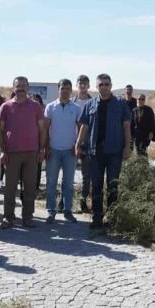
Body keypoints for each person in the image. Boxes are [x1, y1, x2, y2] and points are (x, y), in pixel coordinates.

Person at [75, 74, 132, 231]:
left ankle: (112, 218)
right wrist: (78, 144)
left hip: (114, 152)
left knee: (113, 185)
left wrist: (127, 147)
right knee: (97, 185)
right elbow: (84, 126)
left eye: (107, 84)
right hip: (95, 152)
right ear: (97, 86)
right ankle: (97, 217)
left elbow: (126, 126)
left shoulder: (120, 104)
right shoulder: (90, 104)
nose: (104, 87)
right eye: (101, 84)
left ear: (111, 85)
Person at [0, 76, 46, 229]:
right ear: (13, 88)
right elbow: (0, 131)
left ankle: (27, 217)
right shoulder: (5, 106)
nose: (21, 88)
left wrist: (41, 149)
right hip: (12, 153)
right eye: (18, 86)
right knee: (10, 187)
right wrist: (2, 151)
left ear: (28, 87)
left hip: (32, 152)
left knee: (30, 187)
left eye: (24, 86)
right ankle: (8, 217)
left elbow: (42, 130)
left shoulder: (36, 107)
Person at [43, 79, 81, 224]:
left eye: (67, 88)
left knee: (68, 183)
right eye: (62, 88)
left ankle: (67, 211)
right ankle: (51, 211)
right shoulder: (51, 107)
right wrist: (46, 146)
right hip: (53, 150)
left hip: (70, 151)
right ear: (58, 89)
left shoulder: (76, 108)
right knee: (51, 182)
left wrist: (77, 145)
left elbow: (80, 128)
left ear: (71, 90)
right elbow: (45, 129)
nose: (65, 90)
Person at [73, 74, 93, 213]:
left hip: (87, 144)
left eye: (85, 82)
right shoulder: (71, 103)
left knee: (86, 176)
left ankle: (83, 201)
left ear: (89, 85)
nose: (82, 85)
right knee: (69, 175)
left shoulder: (93, 103)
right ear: (77, 85)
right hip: (71, 142)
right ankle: (64, 202)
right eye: (80, 82)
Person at [121, 84, 137, 151]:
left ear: (132, 91)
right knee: (122, 144)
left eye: (130, 90)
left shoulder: (135, 101)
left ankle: (129, 160)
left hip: (133, 126)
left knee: (131, 145)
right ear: (125, 91)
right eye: (127, 89)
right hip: (123, 126)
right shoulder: (122, 101)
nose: (129, 91)